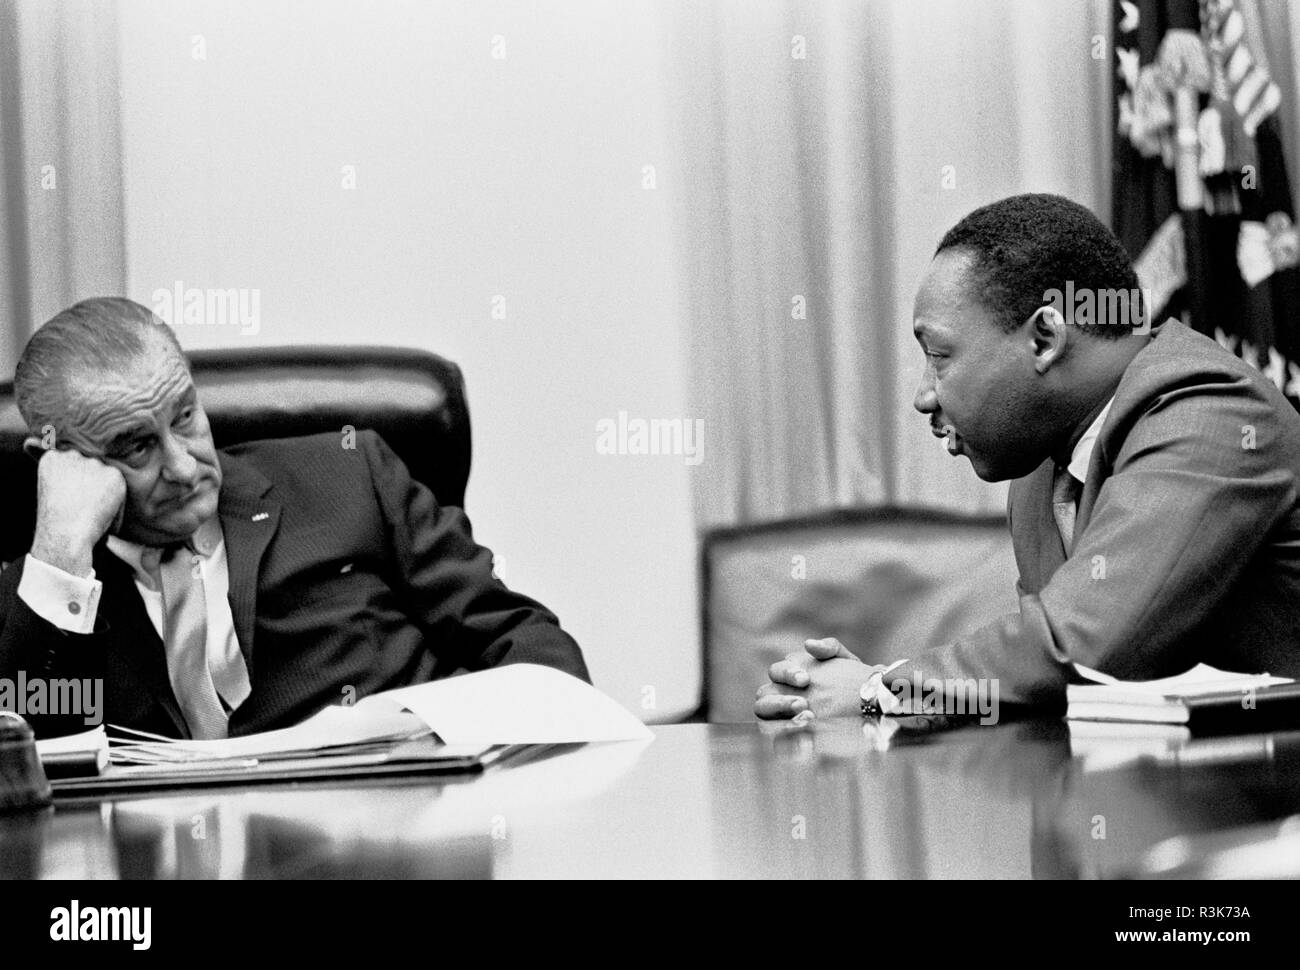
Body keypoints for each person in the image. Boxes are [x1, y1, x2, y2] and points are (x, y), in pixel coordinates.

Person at [756, 193, 1300, 721]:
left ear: (1044, 338)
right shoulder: (1042, 470)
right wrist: (874, 691)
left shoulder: (1210, 413)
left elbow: (1079, 647)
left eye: (939, 358)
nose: (923, 396)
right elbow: (1045, 688)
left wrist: (881, 690)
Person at [0, 297, 589, 738]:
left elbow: (528, 644)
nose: (182, 467)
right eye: (135, 448)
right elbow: (26, 775)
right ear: (57, 461)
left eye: (184, 417)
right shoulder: (34, 602)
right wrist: (59, 557)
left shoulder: (348, 477)